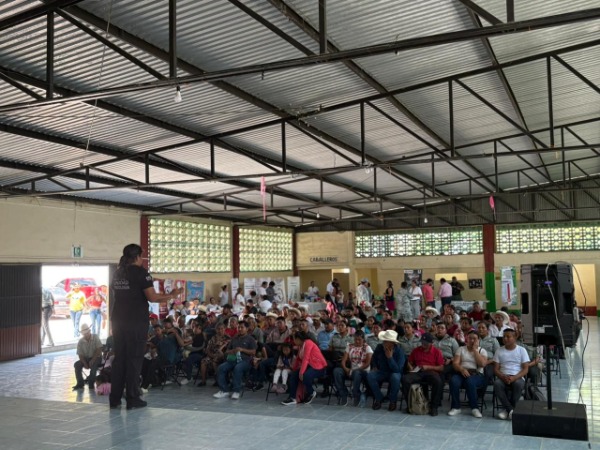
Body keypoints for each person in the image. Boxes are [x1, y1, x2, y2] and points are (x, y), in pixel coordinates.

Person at [109, 243, 181, 410]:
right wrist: (172, 295)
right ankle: (133, 398)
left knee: (120, 359)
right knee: (134, 360)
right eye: (141, 256)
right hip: (135, 322)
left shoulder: (117, 273)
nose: (142, 259)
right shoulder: (141, 273)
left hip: (118, 320)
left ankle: (115, 398)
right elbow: (152, 297)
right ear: (136, 257)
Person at [401, 332, 444, 416]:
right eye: (422, 342)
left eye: (426, 343)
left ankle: (434, 406)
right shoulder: (416, 350)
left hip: (431, 372)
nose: (423, 344)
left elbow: (441, 368)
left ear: (431, 343)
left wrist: (428, 367)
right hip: (418, 371)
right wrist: (410, 366)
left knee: (438, 381)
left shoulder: (437, 352)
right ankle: (411, 404)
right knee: (405, 379)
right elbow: (410, 361)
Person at [213, 321, 257, 400]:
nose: (240, 329)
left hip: (245, 361)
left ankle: (236, 391)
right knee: (221, 368)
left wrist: (242, 350)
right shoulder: (234, 338)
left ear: (247, 329)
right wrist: (232, 351)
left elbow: (253, 352)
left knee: (238, 368)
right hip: (233, 359)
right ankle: (224, 390)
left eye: (242, 327)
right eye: (238, 327)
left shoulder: (250, 339)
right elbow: (227, 351)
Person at [448, 331, 488, 418]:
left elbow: (482, 364)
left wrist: (475, 350)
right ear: (467, 339)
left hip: (477, 374)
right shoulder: (461, 349)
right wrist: (461, 369)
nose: (472, 340)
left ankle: (474, 408)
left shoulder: (482, 351)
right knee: (453, 380)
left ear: (478, 340)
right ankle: (456, 407)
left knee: (470, 381)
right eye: (470, 338)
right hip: (462, 372)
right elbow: (455, 363)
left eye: (474, 339)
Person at [281, 331, 328, 406]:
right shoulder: (301, 345)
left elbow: (306, 358)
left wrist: (301, 372)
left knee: (306, 376)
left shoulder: (308, 343)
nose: (294, 341)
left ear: (298, 339)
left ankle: (311, 392)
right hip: (309, 366)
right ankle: (293, 398)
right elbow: (298, 359)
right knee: (294, 375)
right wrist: (294, 369)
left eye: (294, 339)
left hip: (319, 367)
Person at [493, 328, 530, 420]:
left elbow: (525, 369)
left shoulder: (521, 350)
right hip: (503, 376)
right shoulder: (499, 350)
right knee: (497, 384)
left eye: (508, 337)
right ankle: (510, 410)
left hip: (517, 376)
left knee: (518, 384)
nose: (505, 339)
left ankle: (507, 410)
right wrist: (502, 376)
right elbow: (496, 369)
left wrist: (514, 378)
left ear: (515, 337)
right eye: (504, 337)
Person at [366, 330, 406, 411]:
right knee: (370, 375)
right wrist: (374, 366)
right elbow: (374, 358)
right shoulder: (379, 347)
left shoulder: (399, 352)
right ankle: (379, 398)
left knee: (395, 377)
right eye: (384, 341)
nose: (383, 342)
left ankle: (392, 401)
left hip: (394, 373)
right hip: (382, 371)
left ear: (392, 343)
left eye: (386, 341)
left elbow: (397, 369)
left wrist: (390, 358)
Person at [333, 330, 373, 406]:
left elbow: (367, 364)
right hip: (351, 370)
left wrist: (354, 370)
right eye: (355, 339)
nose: (357, 341)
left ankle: (356, 394)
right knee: (337, 371)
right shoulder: (350, 346)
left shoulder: (367, 348)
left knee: (356, 373)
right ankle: (343, 394)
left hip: (363, 371)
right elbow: (343, 361)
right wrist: (345, 368)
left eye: (359, 340)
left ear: (363, 339)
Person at [72, 324, 103, 390]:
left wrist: (93, 359)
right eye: (84, 334)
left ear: (89, 331)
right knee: (77, 364)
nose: (86, 335)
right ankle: (80, 383)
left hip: (97, 357)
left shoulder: (95, 337)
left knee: (94, 366)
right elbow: (80, 354)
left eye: (87, 333)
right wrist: (84, 363)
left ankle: (91, 383)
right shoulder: (80, 341)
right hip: (86, 358)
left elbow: (99, 349)